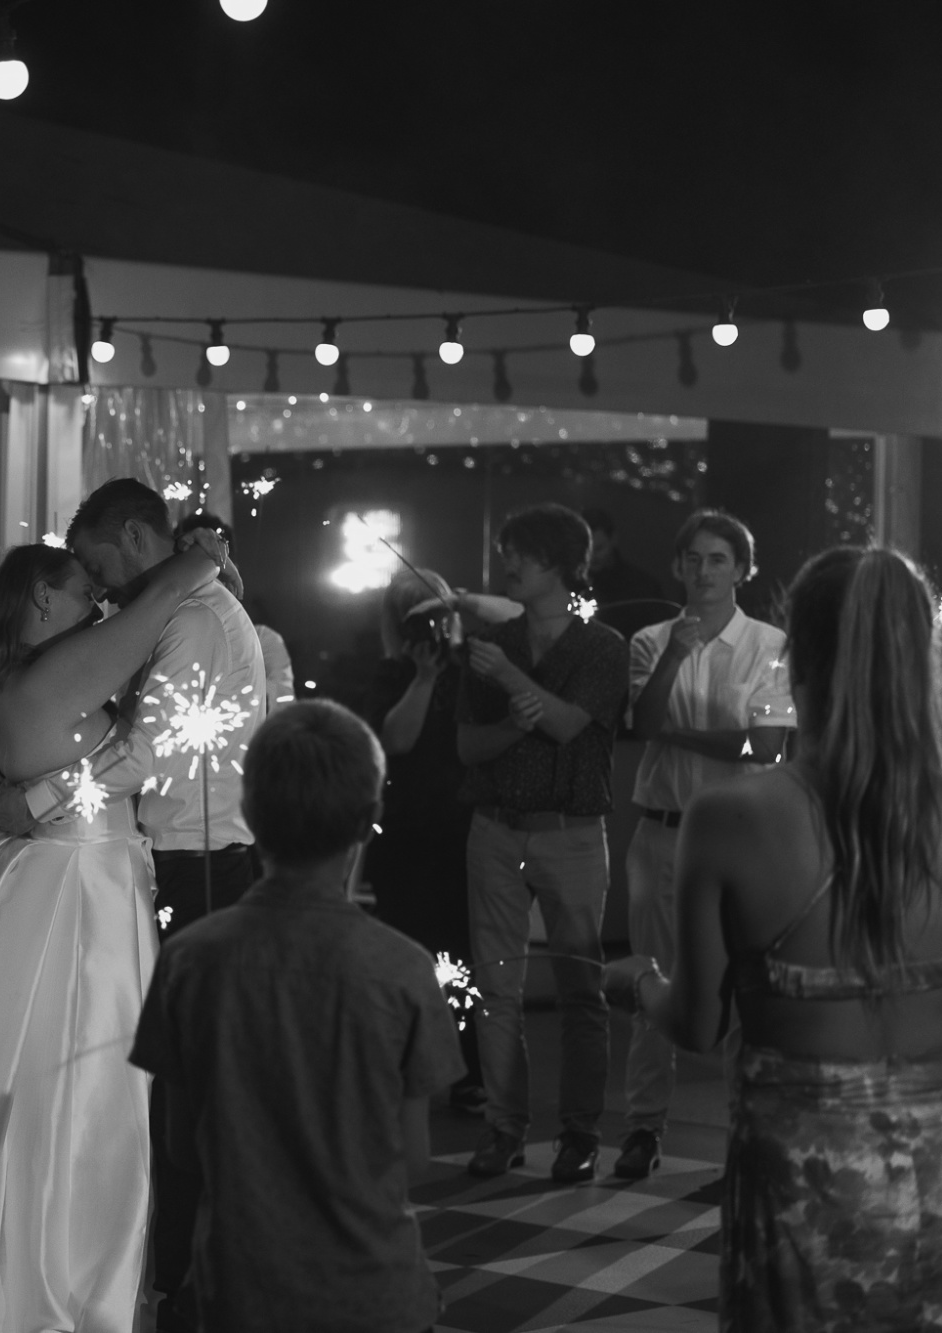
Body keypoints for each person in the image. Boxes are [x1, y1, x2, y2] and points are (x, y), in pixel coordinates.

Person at [606, 546, 942, 1328]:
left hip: (804, 1186)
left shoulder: (733, 818)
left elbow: (699, 1023)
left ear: (796, 657)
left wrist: (632, 980)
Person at [0, 534, 226, 1333]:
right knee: (82, 1094)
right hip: (79, 896)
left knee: (53, 1093)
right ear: (44, 599)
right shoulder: (57, 670)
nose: (99, 604)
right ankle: (67, 1285)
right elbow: (156, 606)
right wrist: (201, 555)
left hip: (75, 878)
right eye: (83, 590)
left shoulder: (36, 673)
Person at [131, 700, 463, 1333]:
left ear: (251, 813)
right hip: (371, 1292)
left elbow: (181, 1144)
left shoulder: (188, 962)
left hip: (239, 1291)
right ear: (371, 820)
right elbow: (411, 1154)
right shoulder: (402, 969)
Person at [35, 478, 266, 1315]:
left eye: (99, 564)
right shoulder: (178, 611)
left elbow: (144, 756)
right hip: (181, 857)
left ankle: (189, 1277)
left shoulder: (198, 620)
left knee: (183, 1076)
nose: (97, 587)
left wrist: (31, 804)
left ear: (136, 539)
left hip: (198, 865)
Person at [615, 510, 793, 1180]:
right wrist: (677, 657)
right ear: (677, 566)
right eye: (693, 558)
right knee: (650, 978)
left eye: (718, 559)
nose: (704, 570)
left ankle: (743, 1135)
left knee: (749, 989)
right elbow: (641, 722)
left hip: (747, 835)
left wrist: (683, 736)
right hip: (663, 830)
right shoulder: (653, 639)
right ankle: (641, 1125)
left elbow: (768, 746)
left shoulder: (771, 643)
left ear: (741, 568)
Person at [458, 503, 629, 1182]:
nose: (509, 565)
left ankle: (579, 1133)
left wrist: (511, 684)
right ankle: (503, 1128)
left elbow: (565, 725)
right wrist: (513, 720)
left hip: (572, 832)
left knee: (582, 988)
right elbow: (469, 745)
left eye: (520, 553)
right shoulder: (490, 641)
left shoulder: (601, 646)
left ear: (558, 562)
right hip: (495, 827)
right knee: (497, 990)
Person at [362, 568, 484, 1115]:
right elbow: (396, 740)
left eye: (436, 612)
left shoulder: (472, 668)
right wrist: (423, 677)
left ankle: (466, 1070)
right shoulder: (391, 673)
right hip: (407, 833)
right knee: (404, 951)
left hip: (461, 826)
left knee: (461, 954)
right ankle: (403, 1065)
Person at [175, 511, 294, 705]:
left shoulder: (263, 642)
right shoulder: (161, 620)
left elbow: (278, 706)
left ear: (230, 569)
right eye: (188, 564)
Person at [583, 506, 670, 640]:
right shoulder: (572, 586)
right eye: (587, 550)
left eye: (599, 548)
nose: (593, 556)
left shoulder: (641, 588)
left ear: (613, 540)